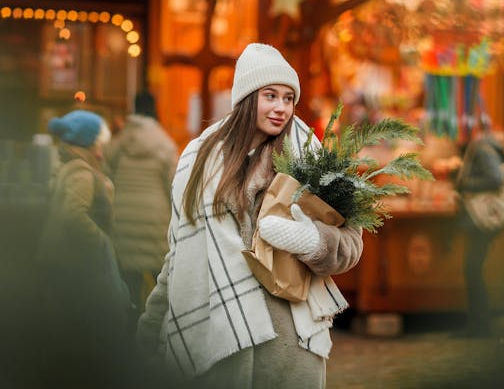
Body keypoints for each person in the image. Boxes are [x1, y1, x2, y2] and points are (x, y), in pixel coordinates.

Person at [136, 43, 364, 387]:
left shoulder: (312, 160)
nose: (281, 108)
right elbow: (182, 251)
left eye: (289, 98)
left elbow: (352, 242)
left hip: (289, 347)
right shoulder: (199, 160)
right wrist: (150, 330)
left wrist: (313, 241)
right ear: (246, 97)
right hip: (220, 343)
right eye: (270, 95)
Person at [37, 109, 134, 387]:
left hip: (63, 267)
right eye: (98, 144)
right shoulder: (81, 171)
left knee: (66, 335)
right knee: (80, 335)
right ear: (88, 143)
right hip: (77, 268)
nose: (101, 151)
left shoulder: (70, 167)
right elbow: (72, 214)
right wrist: (100, 240)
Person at [103, 90, 179, 309]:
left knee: (128, 284)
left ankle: (129, 326)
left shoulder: (120, 140)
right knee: (160, 281)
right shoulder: (164, 142)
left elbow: (106, 170)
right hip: (155, 219)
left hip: (123, 215)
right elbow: (173, 185)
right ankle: (156, 326)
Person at [454, 130, 504, 338]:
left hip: (482, 219)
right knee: (473, 269)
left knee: (472, 269)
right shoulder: (488, 148)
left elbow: (495, 179)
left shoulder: (482, 149)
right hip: (485, 220)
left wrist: (464, 185)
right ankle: (478, 324)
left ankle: (480, 325)